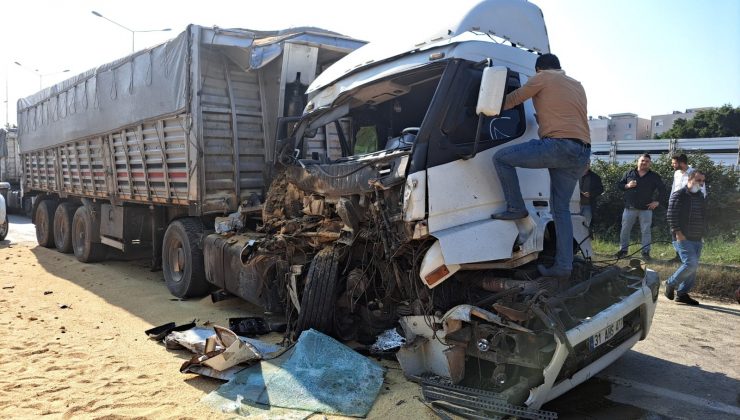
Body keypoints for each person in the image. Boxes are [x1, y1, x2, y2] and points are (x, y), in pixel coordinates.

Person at [491, 53, 591, 279]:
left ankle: (516, 207)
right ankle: (564, 267)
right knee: (561, 210)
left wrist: (482, 107)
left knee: (501, 158)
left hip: (558, 146)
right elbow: (567, 115)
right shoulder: (577, 85)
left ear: (539, 69)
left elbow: (512, 100)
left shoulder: (542, 77)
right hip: (582, 151)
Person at [664, 170, 706, 305]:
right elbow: (671, 215)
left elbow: (703, 215)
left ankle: (682, 294)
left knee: (693, 267)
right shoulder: (679, 195)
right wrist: (678, 233)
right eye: (698, 180)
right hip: (682, 236)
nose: (701, 183)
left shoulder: (700, 196)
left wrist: (703, 233)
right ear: (690, 179)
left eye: (703, 181)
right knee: (690, 263)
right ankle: (670, 283)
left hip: (697, 237)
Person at [615, 154, 666, 260]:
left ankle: (645, 253)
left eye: (647, 161)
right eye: (642, 160)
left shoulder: (654, 176)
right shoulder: (629, 173)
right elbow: (619, 185)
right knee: (625, 230)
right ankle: (623, 251)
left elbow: (663, 190)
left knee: (646, 231)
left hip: (646, 208)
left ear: (650, 163)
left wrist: (657, 202)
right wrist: (627, 186)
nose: (644, 163)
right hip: (630, 207)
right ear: (638, 161)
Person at [669, 153, 706, 261]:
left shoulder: (694, 174)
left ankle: (686, 257)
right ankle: (678, 255)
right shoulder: (676, 173)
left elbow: (702, 190)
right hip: (676, 205)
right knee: (674, 230)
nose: (673, 165)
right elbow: (674, 188)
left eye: (675, 163)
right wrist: (670, 203)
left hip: (689, 206)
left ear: (681, 163)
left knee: (686, 230)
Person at [579, 162, 604, 229]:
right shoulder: (575, 175)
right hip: (575, 206)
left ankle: (585, 239)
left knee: (586, 226)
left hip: (588, 206)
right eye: (585, 163)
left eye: (588, 163)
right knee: (575, 225)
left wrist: (591, 194)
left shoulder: (595, 177)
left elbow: (601, 189)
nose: (586, 165)